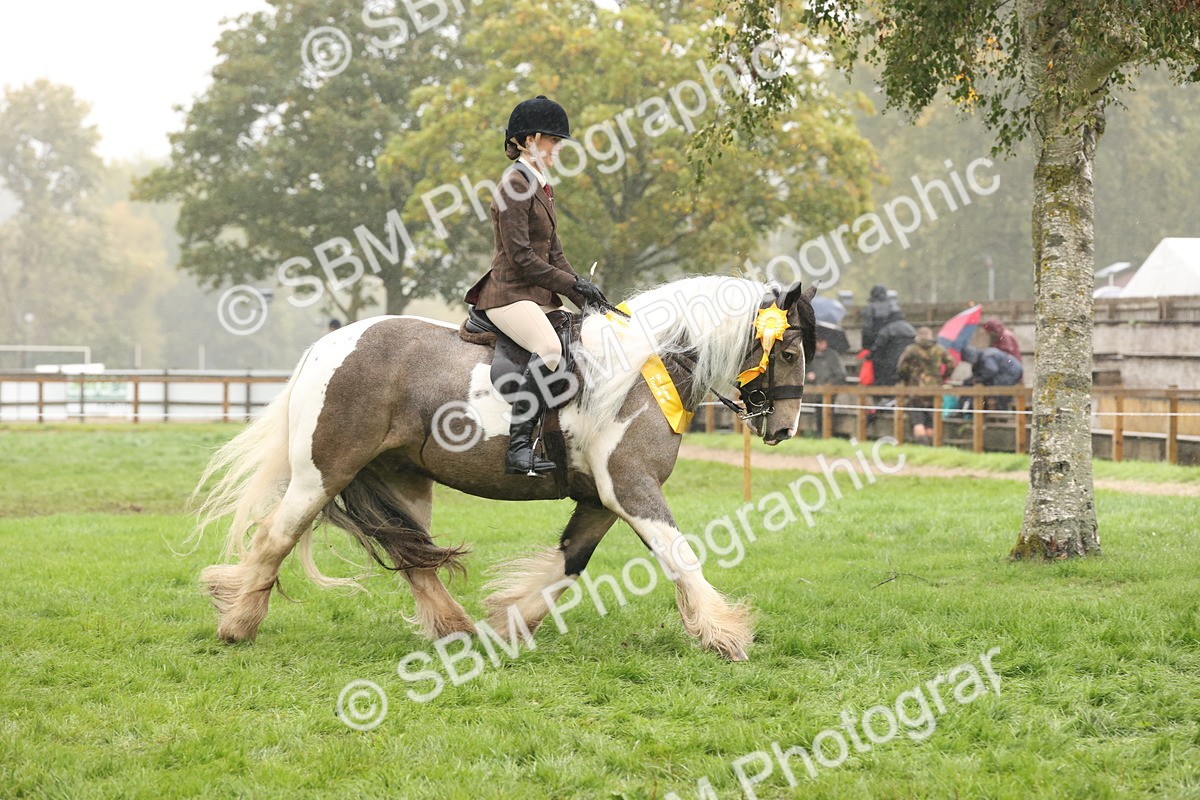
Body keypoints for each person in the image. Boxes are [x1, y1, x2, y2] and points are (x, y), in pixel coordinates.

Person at [463, 96, 614, 476]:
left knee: (584, 336)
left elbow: (555, 255)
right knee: (548, 349)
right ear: (530, 140)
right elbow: (523, 259)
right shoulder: (513, 185)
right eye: (553, 140)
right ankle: (517, 448)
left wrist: (586, 294)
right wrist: (570, 283)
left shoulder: (541, 186)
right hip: (508, 293)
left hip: (534, 294)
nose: (558, 147)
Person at [897, 327, 955, 444]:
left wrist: (907, 379)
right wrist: (943, 377)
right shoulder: (939, 349)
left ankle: (922, 445)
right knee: (930, 419)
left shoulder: (911, 350)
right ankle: (931, 446)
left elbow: (901, 367)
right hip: (935, 388)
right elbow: (951, 364)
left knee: (917, 418)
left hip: (916, 388)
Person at [806, 332, 847, 436]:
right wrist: (808, 376)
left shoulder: (832, 356)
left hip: (831, 393)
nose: (818, 344)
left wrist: (828, 385)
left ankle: (828, 435)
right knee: (819, 415)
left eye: (820, 342)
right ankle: (820, 434)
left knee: (828, 414)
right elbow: (805, 373)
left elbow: (840, 375)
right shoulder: (811, 356)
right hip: (815, 393)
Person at [962, 345, 1023, 411]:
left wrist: (978, 379)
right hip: (1010, 370)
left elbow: (992, 370)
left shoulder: (986, 356)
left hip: (1011, 372)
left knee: (999, 390)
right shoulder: (984, 356)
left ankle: (1001, 412)